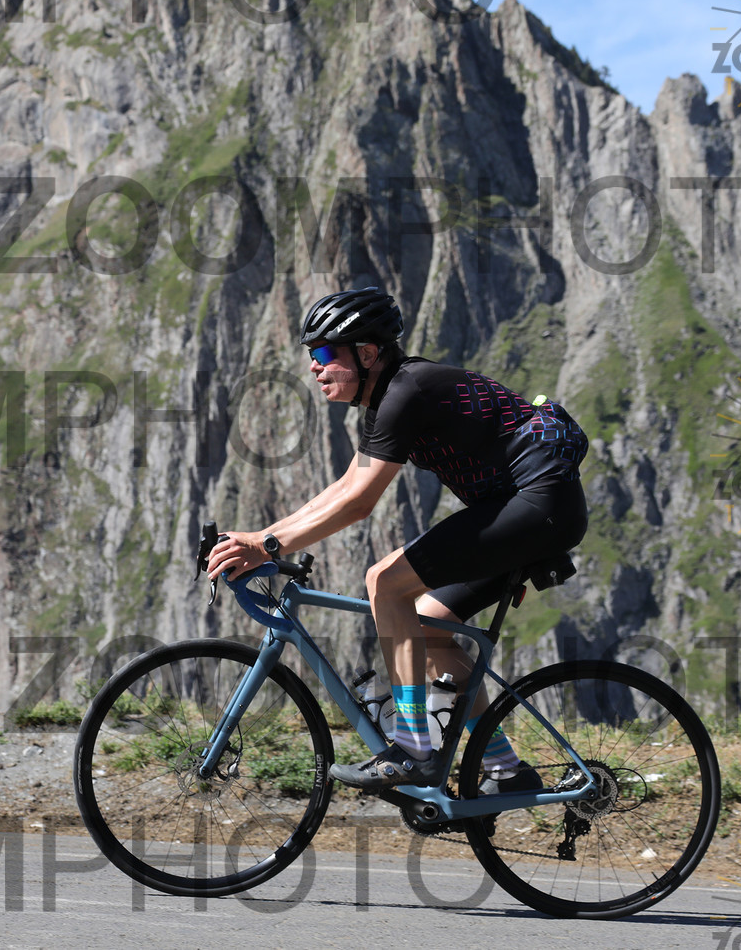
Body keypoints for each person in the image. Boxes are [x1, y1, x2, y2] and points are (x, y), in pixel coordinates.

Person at [206, 287, 590, 791]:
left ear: (367, 354)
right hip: (526, 510)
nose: (316, 366)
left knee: (385, 582)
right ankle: (507, 771)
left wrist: (267, 546)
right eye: (312, 355)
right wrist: (264, 537)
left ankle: (411, 749)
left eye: (326, 352)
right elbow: (345, 486)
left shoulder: (409, 390)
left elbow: (359, 502)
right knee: (428, 627)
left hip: (538, 505)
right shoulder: (388, 400)